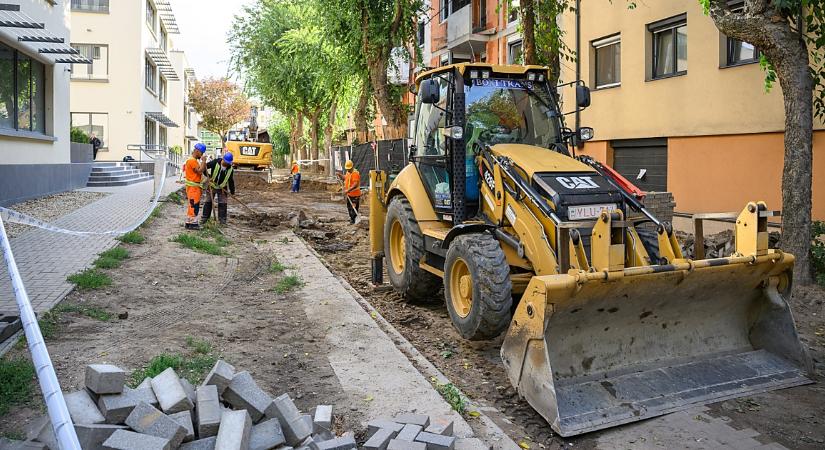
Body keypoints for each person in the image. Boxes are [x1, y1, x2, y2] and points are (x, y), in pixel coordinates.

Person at [201, 152, 236, 225]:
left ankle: (222, 220)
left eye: (228, 163)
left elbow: (231, 181)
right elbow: (205, 167)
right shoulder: (215, 162)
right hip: (212, 186)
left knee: (223, 203)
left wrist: (232, 192)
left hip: (223, 188)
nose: (227, 164)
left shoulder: (230, 169)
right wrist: (209, 176)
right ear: (223, 159)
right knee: (208, 202)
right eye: (226, 162)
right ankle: (205, 218)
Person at [184, 143, 208, 229]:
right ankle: (193, 224)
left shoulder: (192, 160)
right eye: (201, 153)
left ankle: (189, 222)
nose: (202, 155)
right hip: (194, 187)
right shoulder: (192, 161)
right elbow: (200, 171)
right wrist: (204, 161)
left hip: (193, 187)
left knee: (192, 204)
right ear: (197, 151)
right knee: (194, 205)